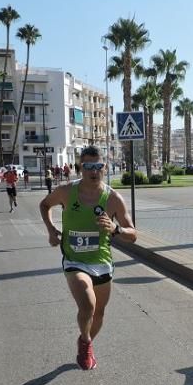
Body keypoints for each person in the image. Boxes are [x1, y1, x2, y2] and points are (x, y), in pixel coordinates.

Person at [39, 145, 137, 370]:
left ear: (105, 167)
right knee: (88, 305)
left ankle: (84, 341)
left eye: (98, 166)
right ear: (80, 168)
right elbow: (45, 205)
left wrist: (115, 229)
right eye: (88, 167)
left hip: (101, 262)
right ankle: (87, 341)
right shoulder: (66, 191)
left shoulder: (113, 198)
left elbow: (133, 234)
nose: (93, 171)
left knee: (99, 312)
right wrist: (52, 230)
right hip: (74, 260)